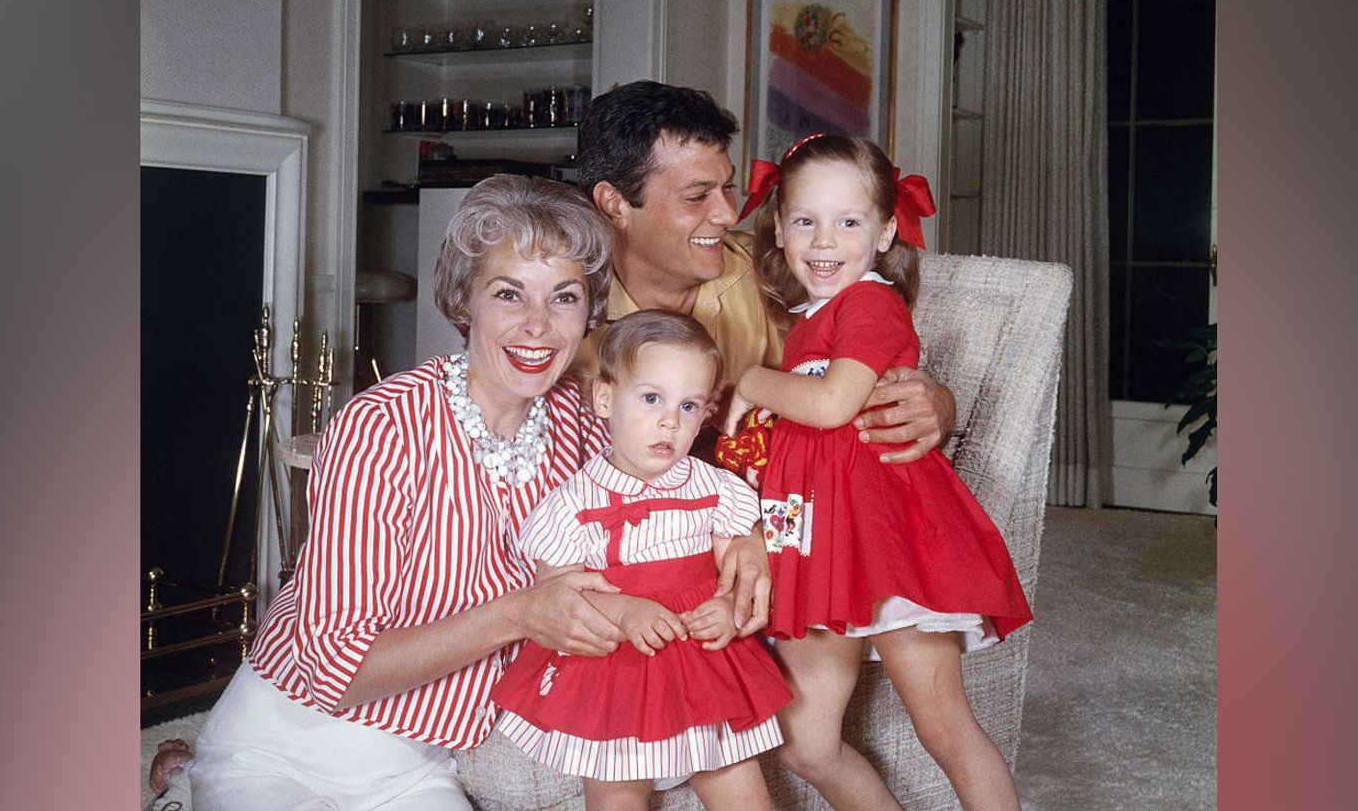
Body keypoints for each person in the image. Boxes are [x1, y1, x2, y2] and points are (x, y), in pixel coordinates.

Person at [171, 175, 631, 810]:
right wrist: (520, 613)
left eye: (565, 297)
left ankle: (179, 778)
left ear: (589, 312)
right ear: (464, 300)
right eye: (508, 293)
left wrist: (741, 537)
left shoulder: (580, 422)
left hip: (418, 766)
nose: (538, 325)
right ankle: (192, 776)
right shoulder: (379, 428)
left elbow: (673, 494)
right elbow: (335, 671)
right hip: (285, 746)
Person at [573, 82, 960, 635]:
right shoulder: (568, 323)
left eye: (728, 188)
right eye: (695, 196)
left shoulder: (781, 274)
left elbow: (858, 361)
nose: (728, 213)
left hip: (791, 516)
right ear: (615, 204)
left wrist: (938, 403)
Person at [719, 134, 1033, 811]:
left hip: (891, 542)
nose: (824, 240)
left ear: (886, 229)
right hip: (815, 543)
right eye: (805, 220)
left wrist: (750, 380)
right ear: (779, 226)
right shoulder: (806, 320)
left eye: (849, 222)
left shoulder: (871, 303)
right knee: (807, 745)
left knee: (943, 726)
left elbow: (833, 406)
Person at [490, 310, 790, 810]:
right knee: (617, 796)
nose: (670, 421)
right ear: (605, 398)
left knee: (741, 790)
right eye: (652, 399)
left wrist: (729, 605)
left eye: (689, 405)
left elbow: (740, 563)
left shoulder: (714, 487)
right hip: (614, 669)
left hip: (703, 658)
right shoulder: (573, 503)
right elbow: (556, 595)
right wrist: (626, 611)